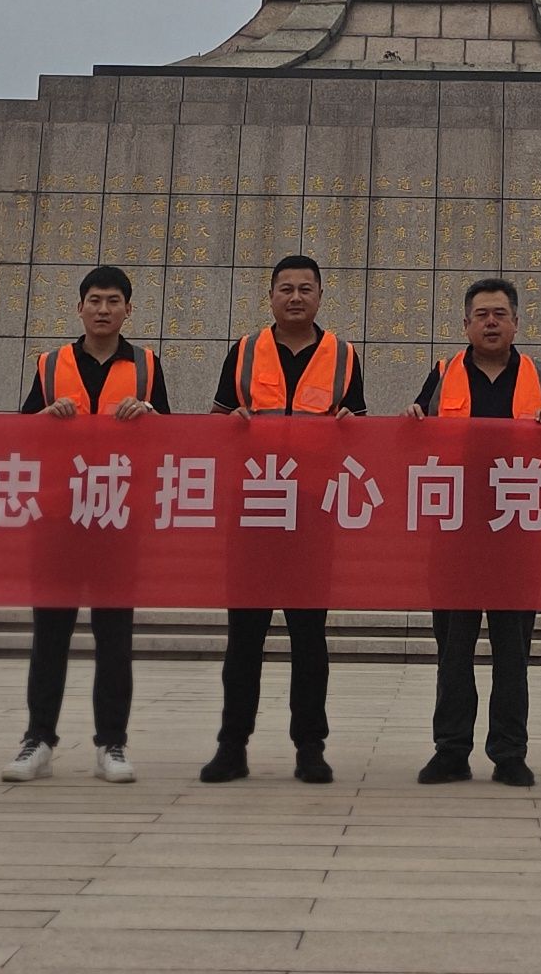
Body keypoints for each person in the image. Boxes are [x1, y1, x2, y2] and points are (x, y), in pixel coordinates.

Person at [207, 251, 364, 785]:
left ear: (320, 296)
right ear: (271, 296)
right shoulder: (244, 351)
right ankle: (232, 746)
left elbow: (359, 433)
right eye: (286, 289)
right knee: (244, 638)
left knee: (309, 637)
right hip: (254, 510)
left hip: (312, 515)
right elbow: (215, 424)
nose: (295, 297)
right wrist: (233, 422)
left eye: (305, 289)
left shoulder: (343, 356)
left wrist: (349, 425)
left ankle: (310, 747)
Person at [3, 264, 159, 787]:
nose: (103, 309)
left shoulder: (147, 366)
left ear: (128, 310)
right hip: (58, 517)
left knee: (115, 636)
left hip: (117, 516)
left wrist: (149, 414)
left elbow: (170, 438)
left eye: (113, 301)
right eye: (94, 300)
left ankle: (111, 743)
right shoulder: (51, 365)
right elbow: (23, 433)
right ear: (79, 307)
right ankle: (39, 739)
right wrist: (46, 416)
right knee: (50, 634)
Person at [411, 275, 541, 786]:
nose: (491, 323)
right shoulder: (443, 374)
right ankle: (451, 750)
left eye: (500, 314)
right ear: (466, 324)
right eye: (482, 315)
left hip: (516, 533)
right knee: (453, 649)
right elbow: (416, 437)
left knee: (512, 651)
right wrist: (412, 418)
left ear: (516, 323)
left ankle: (509, 753)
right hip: (455, 532)